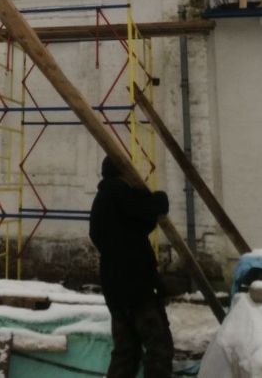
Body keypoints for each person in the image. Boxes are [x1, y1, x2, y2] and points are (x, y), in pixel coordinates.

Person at [89, 155, 173, 378]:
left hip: (114, 287)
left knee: (126, 350)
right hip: (137, 288)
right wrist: (160, 198)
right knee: (158, 348)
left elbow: (136, 224)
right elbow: (148, 210)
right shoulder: (120, 193)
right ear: (123, 173)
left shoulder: (101, 200)